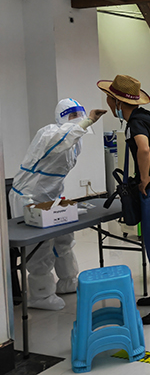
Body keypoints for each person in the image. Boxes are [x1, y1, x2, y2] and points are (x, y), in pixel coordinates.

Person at [98, 74, 150, 324]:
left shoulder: (137, 123)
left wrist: (144, 178)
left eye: (109, 100)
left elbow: (143, 149)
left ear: (116, 101)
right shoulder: (148, 117)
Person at [9, 99, 105, 310]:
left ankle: (68, 280)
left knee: (64, 238)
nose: (77, 119)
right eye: (72, 115)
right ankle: (40, 296)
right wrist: (88, 120)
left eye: (79, 114)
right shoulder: (48, 133)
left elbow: (69, 141)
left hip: (52, 196)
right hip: (29, 196)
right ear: (61, 117)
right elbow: (62, 139)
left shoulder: (76, 140)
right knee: (41, 246)